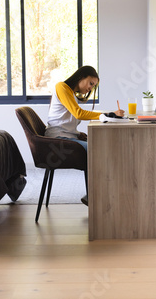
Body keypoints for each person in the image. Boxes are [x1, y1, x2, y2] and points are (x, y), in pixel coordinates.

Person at [45, 66, 124, 205]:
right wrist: (106, 115)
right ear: (81, 77)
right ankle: (97, 193)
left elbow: (67, 120)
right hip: (58, 140)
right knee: (97, 150)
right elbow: (78, 113)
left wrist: (77, 133)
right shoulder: (61, 87)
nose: (90, 88)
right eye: (91, 83)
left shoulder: (70, 93)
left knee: (100, 145)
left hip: (66, 136)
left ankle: (100, 191)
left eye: (93, 86)